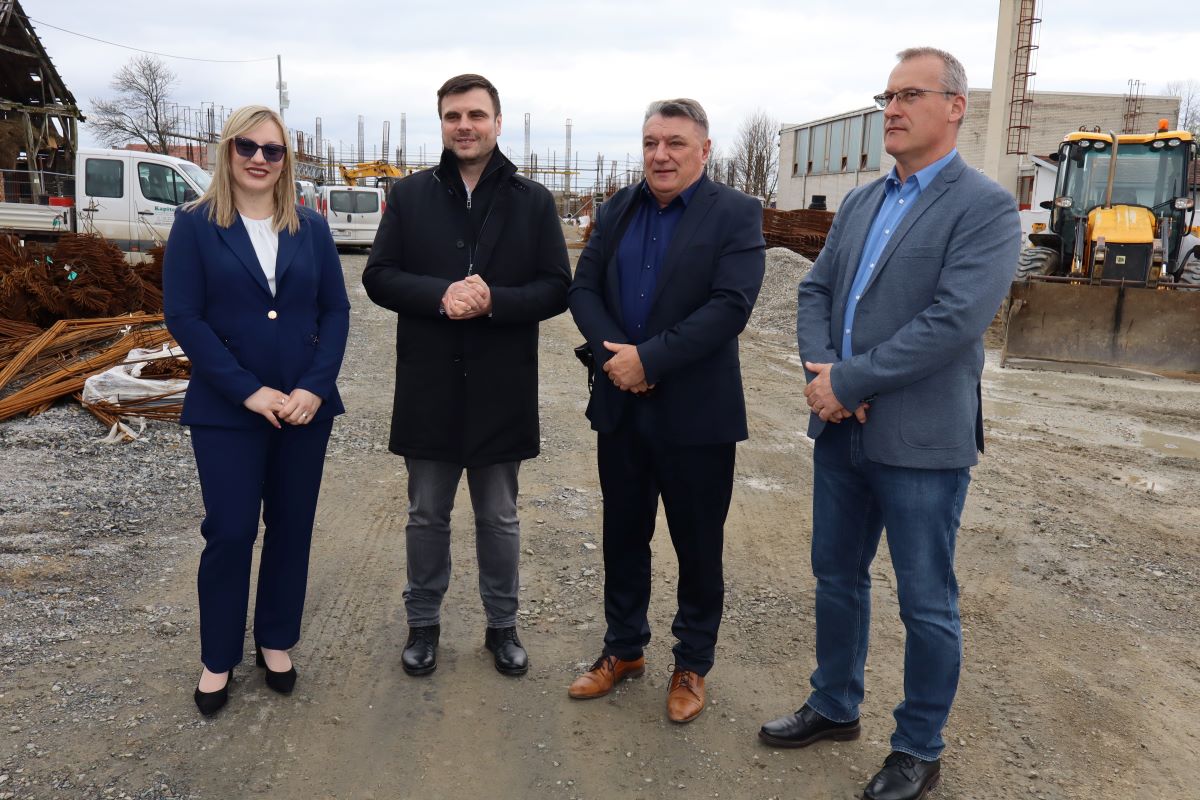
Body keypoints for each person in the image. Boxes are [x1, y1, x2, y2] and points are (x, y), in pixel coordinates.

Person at [757, 48, 1021, 799]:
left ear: (955, 107)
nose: (893, 110)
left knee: (925, 601)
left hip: (921, 442)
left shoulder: (985, 208)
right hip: (842, 430)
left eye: (910, 95)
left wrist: (849, 380)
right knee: (836, 577)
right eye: (887, 96)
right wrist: (823, 372)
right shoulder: (864, 202)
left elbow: (953, 322)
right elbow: (815, 290)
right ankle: (835, 704)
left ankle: (918, 748)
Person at [362, 74, 570, 678]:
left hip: (502, 386)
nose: (465, 126)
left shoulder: (532, 201)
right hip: (429, 384)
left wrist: (493, 301)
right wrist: (441, 295)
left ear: (498, 123)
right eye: (454, 116)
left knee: (498, 517)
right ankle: (423, 624)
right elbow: (379, 276)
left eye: (476, 115)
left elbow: (557, 287)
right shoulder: (410, 196)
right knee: (426, 514)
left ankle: (502, 626)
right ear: (442, 123)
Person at [567, 98, 765, 723]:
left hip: (696, 415)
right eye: (651, 142)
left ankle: (691, 663)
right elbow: (583, 289)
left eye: (675, 143)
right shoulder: (617, 209)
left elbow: (730, 307)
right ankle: (623, 649)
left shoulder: (735, 214)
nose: (660, 155)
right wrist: (616, 359)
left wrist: (649, 360)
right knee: (623, 535)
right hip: (622, 407)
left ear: (704, 150)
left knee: (698, 545)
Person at [163, 105, 351, 716]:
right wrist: (247, 390)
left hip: (303, 409)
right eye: (247, 146)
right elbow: (184, 316)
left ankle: (275, 639)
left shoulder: (310, 226)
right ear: (228, 150)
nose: (259, 159)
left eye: (272, 150)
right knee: (231, 531)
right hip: (228, 409)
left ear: (286, 160)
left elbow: (335, 310)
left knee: (291, 527)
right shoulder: (195, 224)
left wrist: (315, 387)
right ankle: (218, 656)